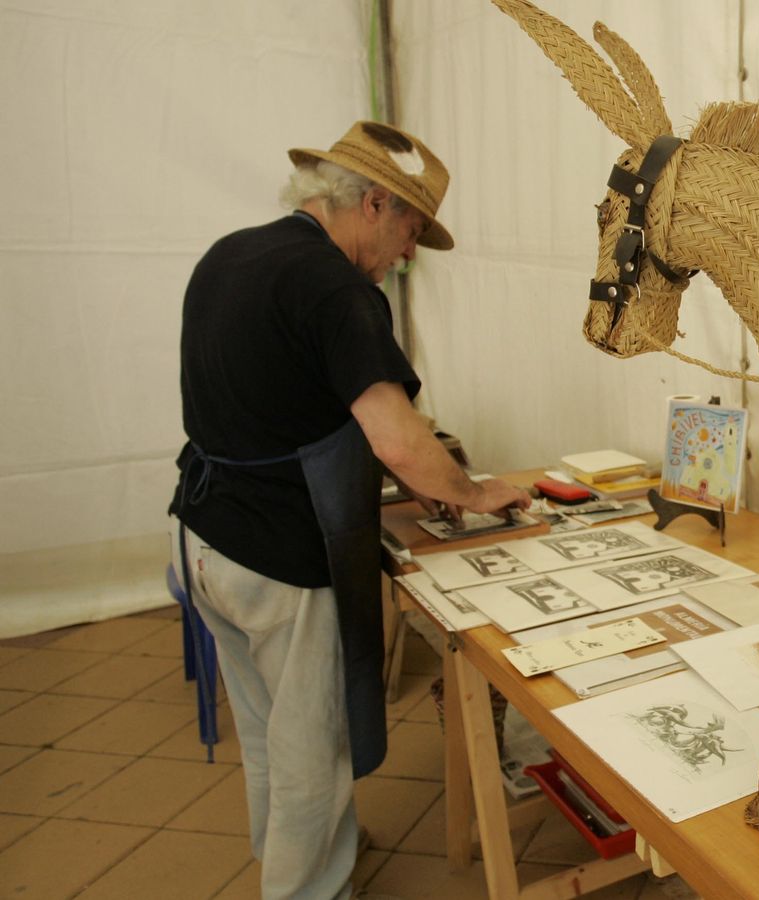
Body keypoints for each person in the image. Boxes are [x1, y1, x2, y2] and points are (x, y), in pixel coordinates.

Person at [168, 120, 531, 900]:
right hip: (279, 557)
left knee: (267, 728)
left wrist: (423, 473)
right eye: (411, 231)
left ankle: (295, 854)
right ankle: (306, 888)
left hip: (203, 534)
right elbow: (397, 437)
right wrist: (472, 493)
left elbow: (278, 400)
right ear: (373, 204)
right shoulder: (337, 289)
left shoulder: (232, 253)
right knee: (311, 745)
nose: (408, 254)